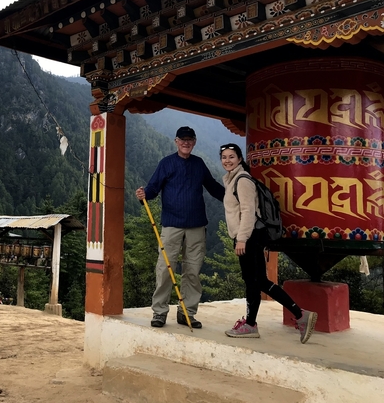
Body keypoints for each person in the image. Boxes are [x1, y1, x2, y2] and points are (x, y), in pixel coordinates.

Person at [219, 143, 317, 343]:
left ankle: (251, 324)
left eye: (231, 156)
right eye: (224, 157)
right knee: (260, 281)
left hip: (249, 236)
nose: (227, 160)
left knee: (252, 282)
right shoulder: (232, 179)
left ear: (239, 159)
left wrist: (241, 239)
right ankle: (300, 315)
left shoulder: (243, 180)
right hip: (250, 236)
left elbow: (248, 212)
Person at [136, 126, 224, 329]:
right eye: (182, 140)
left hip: (197, 225)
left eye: (190, 140)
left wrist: (235, 196)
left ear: (194, 142)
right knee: (165, 269)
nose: (186, 143)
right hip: (171, 225)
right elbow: (152, 188)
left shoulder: (199, 164)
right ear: (176, 141)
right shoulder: (167, 163)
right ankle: (159, 312)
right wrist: (144, 195)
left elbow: (213, 187)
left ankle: (187, 313)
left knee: (192, 270)